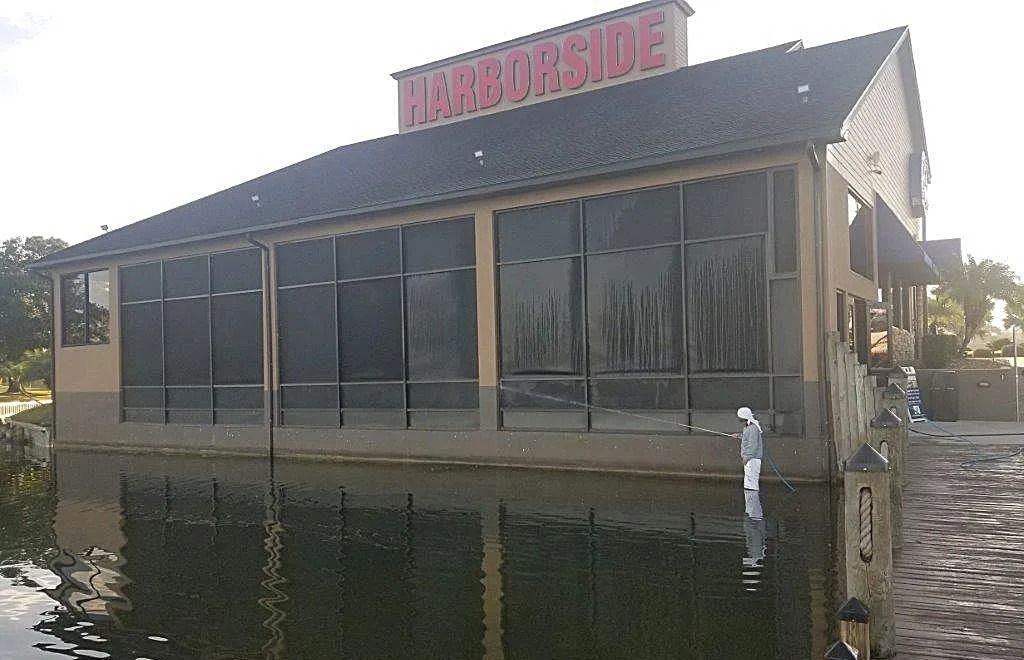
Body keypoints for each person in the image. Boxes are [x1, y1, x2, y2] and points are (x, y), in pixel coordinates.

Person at [733, 406, 763, 493]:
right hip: (751, 458)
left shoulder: (752, 428)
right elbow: (748, 438)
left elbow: (752, 445)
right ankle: (751, 501)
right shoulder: (748, 427)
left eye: (740, 416)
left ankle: (752, 500)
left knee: (751, 485)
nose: (738, 418)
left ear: (744, 417)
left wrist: (746, 458)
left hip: (752, 459)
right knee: (749, 484)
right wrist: (739, 435)